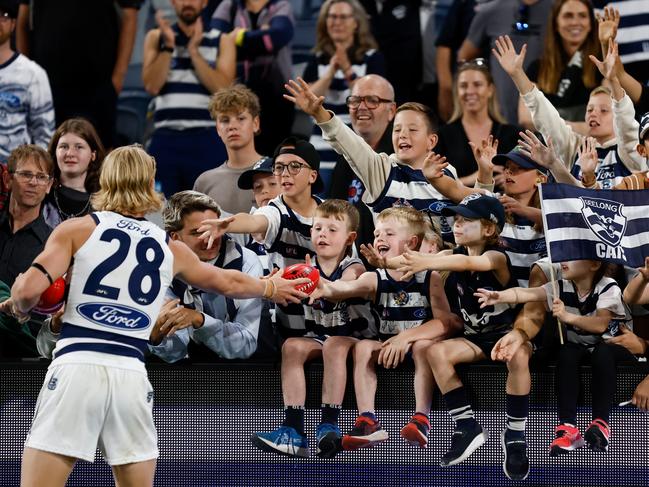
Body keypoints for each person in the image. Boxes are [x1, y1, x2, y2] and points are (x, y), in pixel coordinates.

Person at [0, 144, 308, 487]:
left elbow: (28, 291)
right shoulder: (167, 244)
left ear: (105, 179)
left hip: (78, 365)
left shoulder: (77, 229)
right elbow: (228, 281)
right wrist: (269, 288)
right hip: (131, 375)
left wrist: (18, 305)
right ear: (149, 185)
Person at [394, 194, 529, 480]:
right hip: (476, 339)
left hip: (508, 336)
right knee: (435, 352)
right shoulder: (451, 255)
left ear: (490, 229)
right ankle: (466, 425)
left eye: (466, 221)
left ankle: (515, 435)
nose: (457, 225)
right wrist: (383, 260)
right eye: (456, 220)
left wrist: (427, 260)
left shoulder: (496, 256)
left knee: (519, 355)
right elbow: (409, 261)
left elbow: (472, 265)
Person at [311, 206, 459, 451]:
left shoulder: (429, 277)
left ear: (411, 242)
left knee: (425, 346)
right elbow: (342, 289)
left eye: (388, 234)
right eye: (377, 233)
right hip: (386, 348)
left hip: (417, 349)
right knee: (365, 346)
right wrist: (322, 286)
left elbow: (448, 323)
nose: (379, 238)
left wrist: (406, 338)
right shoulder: (374, 278)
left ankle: (421, 419)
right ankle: (368, 420)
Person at [251, 199, 377, 459]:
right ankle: (293, 429)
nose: (323, 234)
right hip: (319, 335)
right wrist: (272, 285)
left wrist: (319, 283)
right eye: (318, 228)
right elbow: (280, 286)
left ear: (349, 238)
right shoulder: (304, 268)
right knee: (292, 346)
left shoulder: (353, 267)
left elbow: (345, 284)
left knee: (334, 344)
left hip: (355, 338)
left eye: (332, 230)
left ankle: (328, 424)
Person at [476, 259, 635, 455]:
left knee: (603, 352)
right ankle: (568, 428)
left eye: (571, 258)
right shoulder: (560, 286)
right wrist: (499, 296)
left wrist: (567, 317)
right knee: (566, 352)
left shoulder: (609, 286)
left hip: (615, 347)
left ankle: (601, 424)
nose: (563, 261)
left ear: (593, 265)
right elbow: (526, 293)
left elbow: (600, 325)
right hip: (582, 348)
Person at [285, 77, 463, 244]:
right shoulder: (384, 170)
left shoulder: (448, 172)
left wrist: (484, 179)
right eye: (397, 130)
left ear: (431, 141)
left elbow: (474, 210)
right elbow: (350, 144)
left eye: (412, 130)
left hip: (443, 272)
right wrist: (320, 114)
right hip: (396, 274)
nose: (402, 135)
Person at [198, 137, 324, 336]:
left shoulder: (332, 214)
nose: (285, 174)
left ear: (313, 175)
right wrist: (228, 224)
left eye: (294, 167)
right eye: (280, 168)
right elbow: (255, 221)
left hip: (330, 318)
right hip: (286, 325)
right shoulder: (274, 212)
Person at [494, 34, 645, 189]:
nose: (594, 113)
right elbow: (546, 117)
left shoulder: (631, 150)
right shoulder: (574, 148)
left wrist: (613, 80)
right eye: (590, 109)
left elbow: (625, 121)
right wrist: (518, 74)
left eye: (604, 110)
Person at [149, 190, 265, 362]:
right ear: (175, 237)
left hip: (247, 370)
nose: (209, 238)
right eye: (197, 232)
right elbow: (175, 353)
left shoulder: (246, 262)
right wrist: (157, 338)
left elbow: (245, 346)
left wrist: (200, 320)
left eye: (213, 228)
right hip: (185, 374)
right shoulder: (161, 267)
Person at [16, 0, 141, 149]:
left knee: (101, 160)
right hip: (47, 88)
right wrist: (27, 74)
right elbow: (21, 19)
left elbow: (130, 15)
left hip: (98, 86)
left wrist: (118, 77)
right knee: (46, 158)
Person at [143, 0, 236, 196]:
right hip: (166, 139)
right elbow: (152, 86)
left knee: (208, 211)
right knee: (164, 213)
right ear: (173, 3)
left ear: (204, 3)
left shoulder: (222, 39)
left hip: (207, 138)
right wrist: (169, 47)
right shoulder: (156, 37)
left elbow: (222, 89)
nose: (187, 3)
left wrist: (194, 52)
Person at [303, 0, 386, 176]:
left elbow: (373, 99)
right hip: (321, 145)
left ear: (356, 23)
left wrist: (347, 69)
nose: (337, 22)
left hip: (358, 146)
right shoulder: (317, 58)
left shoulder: (372, 58)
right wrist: (330, 72)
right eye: (332, 16)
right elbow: (307, 100)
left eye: (343, 17)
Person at [210, 0, 296, 155]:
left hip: (276, 100)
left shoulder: (280, 6)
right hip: (236, 96)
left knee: (273, 160)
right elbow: (215, 41)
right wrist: (261, 38)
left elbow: (277, 37)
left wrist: (239, 37)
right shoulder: (229, 6)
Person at [328, 74, 396, 257]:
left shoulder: (400, 158)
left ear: (391, 111)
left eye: (372, 101)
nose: (362, 107)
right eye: (355, 100)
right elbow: (334, 214)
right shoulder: (343, 160)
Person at [457, 0, 553, 125]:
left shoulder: (558, 9)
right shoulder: (491, 10)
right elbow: (464, 56)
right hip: (500, 116)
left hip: (547, 114)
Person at [0, 144, 53, 358]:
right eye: (26, 174)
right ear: (7, 179)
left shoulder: (54, 245)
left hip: (22, 357)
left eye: (41, 177)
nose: (33, 182)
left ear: (49, 185)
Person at [518, 0, 601, 133]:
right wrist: (577, 127)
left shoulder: (602, 66)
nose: (575, 22)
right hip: (548, 149)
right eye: (568, 16)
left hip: (592, 149)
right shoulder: (537, 68)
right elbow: (526, 118)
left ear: (591, 24)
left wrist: (553, 125)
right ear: (555, 23)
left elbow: (608, 122)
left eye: (582, 16)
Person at [435, 59, 520, 186]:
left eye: (477, 84)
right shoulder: (442, 135)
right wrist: (476, 178)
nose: (470, 91)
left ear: (490, 89)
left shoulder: (513, 134)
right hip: (456, 204)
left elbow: (528, 178)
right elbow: (432, 184)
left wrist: (512, 181)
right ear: (457, 92)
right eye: (463, 86)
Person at [194, 84, 267, 216]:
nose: (232, 126)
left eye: (241, 118)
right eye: (225, 120)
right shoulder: (204, 182)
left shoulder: (276, 172)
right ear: (217, 128)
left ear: (256, 123)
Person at [0, 0, 54, 161]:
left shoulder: (33, 74)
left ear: (13, 24)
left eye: (4, 16)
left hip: (15, 174)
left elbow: (44, 137)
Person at [43, 119, 105, 229]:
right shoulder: (41, 193)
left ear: (93, 155)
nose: (70, 153)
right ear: (55, 152)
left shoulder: (105, 200)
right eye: (64, 146)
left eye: (79, 147)